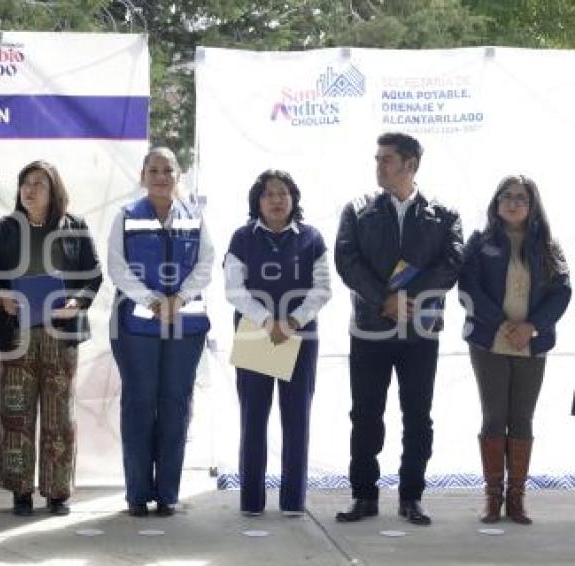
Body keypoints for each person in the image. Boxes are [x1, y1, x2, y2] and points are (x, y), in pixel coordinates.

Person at [334, 132, 463, 525]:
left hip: (420, 330)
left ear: (411, 164)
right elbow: (347, 260)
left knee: (418, 416)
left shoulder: (444, 214)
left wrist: (408, 298)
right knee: (366, 415)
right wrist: (383, 299)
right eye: (377, 159)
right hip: (371, 329)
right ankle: (363, 496)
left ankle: (412, 497)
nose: (379, 166)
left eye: (386, 159)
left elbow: (452, 262)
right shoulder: (358, 210)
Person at [0, 160, 102, 516]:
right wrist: (1, 297)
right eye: (25, 183)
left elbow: (93, 277)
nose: (30, 190)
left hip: (59, 333)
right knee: (15, 412)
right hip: (16, 333)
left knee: (58, 415)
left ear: (54, 192)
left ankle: (57, 492)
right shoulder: (4, 228)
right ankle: (20, 491)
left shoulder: (75, 227)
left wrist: (76, 303)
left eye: (39, 184)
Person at [459, 174, 570, 525]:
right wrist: (503, 324)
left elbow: (562, 292)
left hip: (532, 343)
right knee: (494, 416)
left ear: (532, 205)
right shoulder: (479, 242)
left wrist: (530, 326)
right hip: (489, 341)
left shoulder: (548, 247)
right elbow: (469, 286)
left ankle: (517, 500)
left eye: (521, 197)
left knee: (521, 418)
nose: (513, 202)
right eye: (506, 196)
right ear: (496, 202)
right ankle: (492, 499)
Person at [108, 147, 213, 517]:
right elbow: (118, 267)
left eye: (167, 170)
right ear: (143, 175)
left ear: (177, 176)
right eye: (153, 169)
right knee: (139, 406)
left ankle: (168, 494)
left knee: (175, 406)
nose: (160, 176)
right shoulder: (126, 217)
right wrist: (154, 301)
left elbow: (205, 264)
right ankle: (137, 494)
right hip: (137, 329)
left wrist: (179, 299)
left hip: (186, 329)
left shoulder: (195, 218)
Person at [223, 169, 331, 517]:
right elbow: (234, 290)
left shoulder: (311, 238)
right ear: (257, 200)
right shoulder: (242, 238)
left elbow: (322, 288)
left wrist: (293, 321)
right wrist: (268, 321)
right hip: (256, 332)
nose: (276, 199)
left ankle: (292, 501)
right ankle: (251, 501)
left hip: (300, 334)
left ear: (293, 199)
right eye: (268, 194)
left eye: (283, 193)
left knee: (296, 418)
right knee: (253, 418)